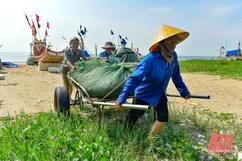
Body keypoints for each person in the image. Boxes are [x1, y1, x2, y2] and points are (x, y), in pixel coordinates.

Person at [114, 24, 191, 137]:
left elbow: (176, 76)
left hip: (159, 93)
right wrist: (122, 97)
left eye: (175, 43)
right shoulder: (151, 59)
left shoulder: (174, 57)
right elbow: (135, 78)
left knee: (163, 117)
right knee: (134, 116)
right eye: (171, 42)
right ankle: (124, 134)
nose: (173, 46)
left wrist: (184, 92)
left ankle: (150, 138)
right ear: (162, 43)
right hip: (144, 93)